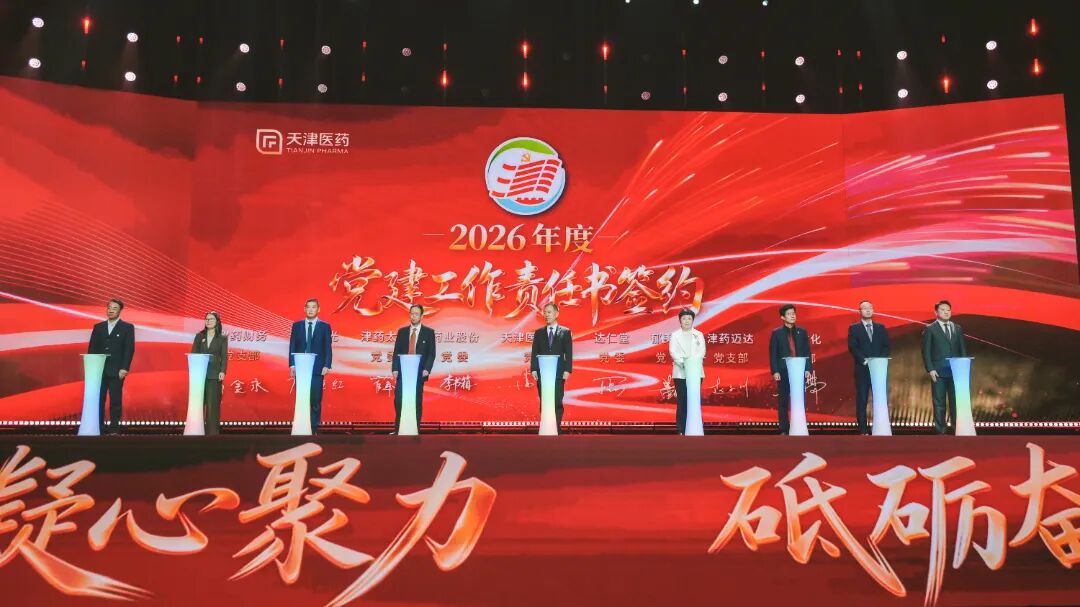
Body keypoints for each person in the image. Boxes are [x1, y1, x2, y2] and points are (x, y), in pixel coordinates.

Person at [87, 299, 135, 435]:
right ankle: (98, 427)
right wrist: (92, 369)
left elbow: (129, 349)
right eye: (109, 308)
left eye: (114, 308)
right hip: (99, 371)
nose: (111, 310)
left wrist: (124, 368)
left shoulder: (127, 328)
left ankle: (114, 429)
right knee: (98, 401)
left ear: (120, 311)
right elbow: (92, 349)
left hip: (117, 371)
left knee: (115, 401)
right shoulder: (98, 327)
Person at [922, 300, 968, 434]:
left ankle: (957, 429)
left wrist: (964, 368)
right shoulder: (930, 329)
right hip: (938, 372)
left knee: (956, 403)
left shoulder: (957, 328)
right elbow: (926, 351)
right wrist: (930, 369)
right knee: (939, 403)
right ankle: (941, 431)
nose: (946, 312)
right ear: (936, 312)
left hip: (956, 372)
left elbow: (963, 349)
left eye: (948, 310)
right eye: (943, 310)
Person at [847, 300, 891, 435]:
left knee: (880, 399)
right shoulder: (854, 328)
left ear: (873, 310)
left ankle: (881, 427)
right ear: (859, 311)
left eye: (870, 308)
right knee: (862, 398)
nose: (867, 310)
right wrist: (864, 360)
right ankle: (863, 429)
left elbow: (886, 346)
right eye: (864, 308)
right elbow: (853, 347)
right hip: (863, 369)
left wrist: (878, 361)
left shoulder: (881, 328)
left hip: (879, 370)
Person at [768, 304, 813, 435]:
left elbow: (807, 352)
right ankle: (784, 429)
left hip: (799, 371)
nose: (792, 316)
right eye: (789, 314)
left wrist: (808, 369)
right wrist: (775, 371)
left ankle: (799, 427)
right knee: (783, 400)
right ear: (782, 317)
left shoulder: (802, 332)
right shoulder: (777, 333)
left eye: (793, 313)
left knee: (799, 400)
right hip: (783, 370)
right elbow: (773, 353)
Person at [288, 298, 333, 431]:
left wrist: (327, 365)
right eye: (308, 307)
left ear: (318, 309)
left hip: (317, 369)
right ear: (305, 309)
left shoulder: (324, 326)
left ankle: (313, 429)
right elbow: (292, 346)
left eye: (314, 307)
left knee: (315, 400)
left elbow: (328, 348)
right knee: (301, 400)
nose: (311, 309)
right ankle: (301, 428)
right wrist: (292, 365)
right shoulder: (297, 326)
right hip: (301, 369)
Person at [391, 304, 436, 431]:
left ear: (421, 316)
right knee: (399, 400)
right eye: (412, 313)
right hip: (403, 373)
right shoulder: (402, 332)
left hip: (419, 373)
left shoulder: (429, 333)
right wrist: (395, 368)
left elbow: (431, 353)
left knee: (416, 401)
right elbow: (396, 352)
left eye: (416, 314)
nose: (413, 316)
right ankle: (398, 429)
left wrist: (427, 369)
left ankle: (415, 429)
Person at [530, 303, 573, 428]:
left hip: (558, 373)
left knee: (557, 401)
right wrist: (534, 369)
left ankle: (556, 429)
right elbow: (535, 352)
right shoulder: (539, 333)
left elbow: (568, 353)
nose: (546, 315)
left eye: (549, 312)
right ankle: (546, 428)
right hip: (543, 373)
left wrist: (567, 370)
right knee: (545, 401)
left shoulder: (565, 332)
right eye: (545, 312)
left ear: (556, 314)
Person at [668, 308, 706, 435]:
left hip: (695, 373)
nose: (687, 321)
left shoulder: (698, 334)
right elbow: (673, 351)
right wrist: (684, 363)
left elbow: (702, 351)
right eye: (684, 318)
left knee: (694, 400)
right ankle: (681, 429)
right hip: (680, 373)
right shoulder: (675, 335)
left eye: (689, 318)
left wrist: (692, 363)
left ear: (693, 320)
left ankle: (695, 428)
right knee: (682, 400)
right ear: (680, 321)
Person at [191, 311, 228, 435]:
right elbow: (194, 354)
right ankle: (197, 432)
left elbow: (224, 356)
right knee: (198, 406)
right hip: (199, 376)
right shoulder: (199, 336)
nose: (208, 321)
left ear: (217, 321)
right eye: (207, 319)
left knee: (213, 407)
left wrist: (222, 371)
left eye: (211, 319)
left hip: (214, 375)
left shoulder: (222, 338)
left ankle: (212, 435)